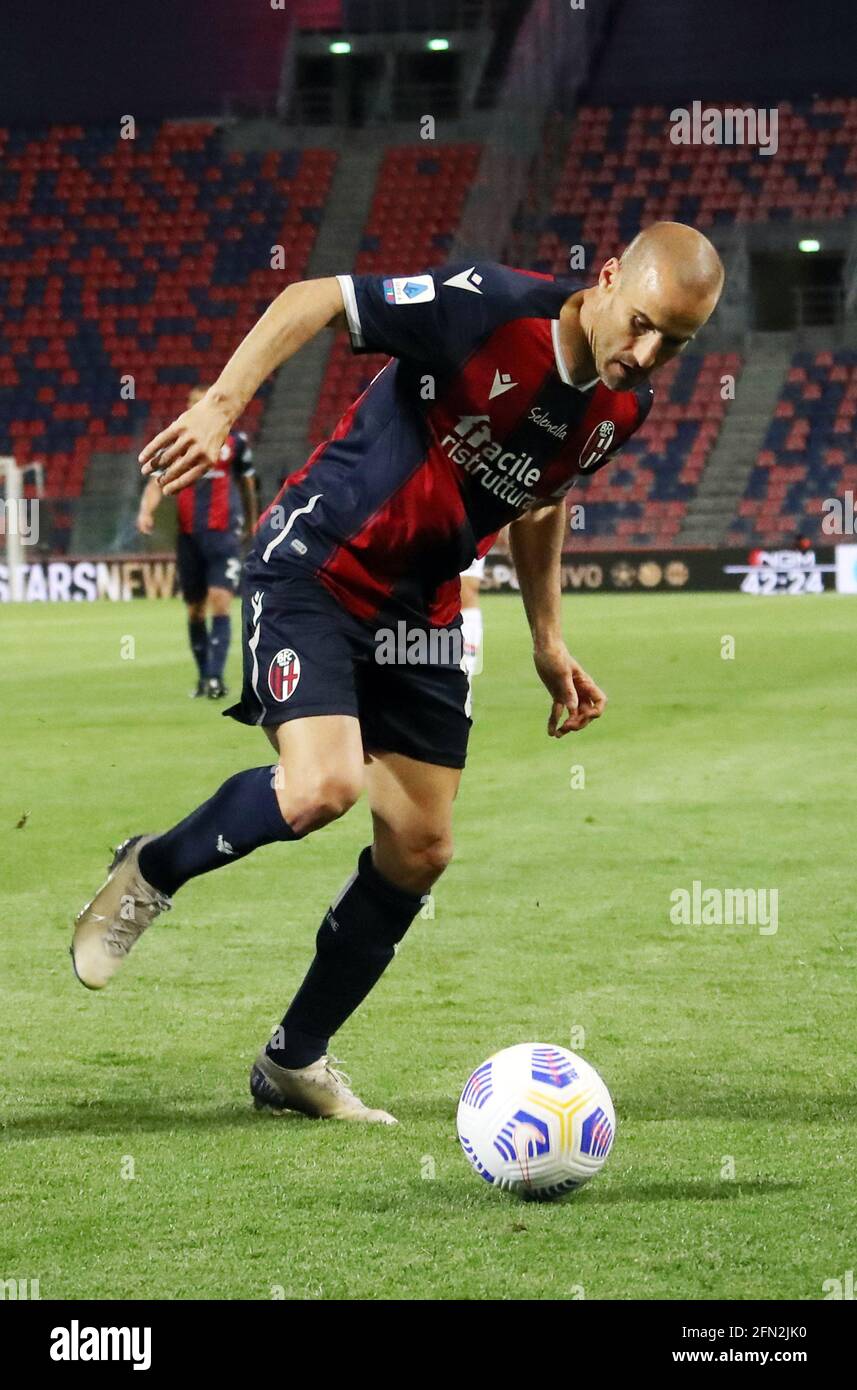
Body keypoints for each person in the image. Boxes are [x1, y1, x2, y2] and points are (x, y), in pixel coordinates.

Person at [73, 223, 724, 1124]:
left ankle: (293, 1061)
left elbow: (542, 499)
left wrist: (547, 638)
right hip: (319, 566)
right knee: (322, 787)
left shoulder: (622, 408)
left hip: (424, 612)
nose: (648, 353)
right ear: (607, 278)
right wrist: (224, 404)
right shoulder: (488, 306)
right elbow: (316, 297)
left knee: (420, 849)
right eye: (644, 324)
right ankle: (153, 866)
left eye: (676, 345)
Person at [137, 386, 258, 699]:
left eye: (199, 403)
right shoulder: (178, 443)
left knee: (220, 601)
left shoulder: (235, 442)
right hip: (188, 537)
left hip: (224, 534)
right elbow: (155, 482)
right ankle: (204, 677)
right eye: (190, 404)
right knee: (194, 610)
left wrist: (252, 517)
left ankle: (216, 679)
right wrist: (146, 512)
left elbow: (247, 483)